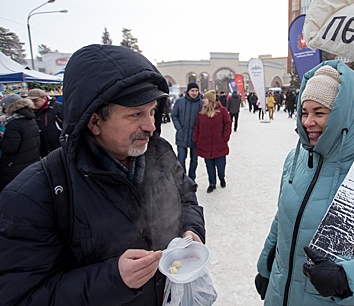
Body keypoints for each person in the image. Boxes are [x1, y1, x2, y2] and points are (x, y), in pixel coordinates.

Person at [0, 44, 205, 305]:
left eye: (153, 111)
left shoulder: (160, 153)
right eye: (135, 114)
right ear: (94, 121)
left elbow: (187, 197)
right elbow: (21, 298)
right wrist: (111, 279)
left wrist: (192, 229)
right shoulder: (35, 194)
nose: (151, 125)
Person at [255, 61, 354, 305]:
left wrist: (346, 281)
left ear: (345, 114)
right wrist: (266, 268)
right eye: (304, 112)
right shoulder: (296, 158)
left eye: (319, 113)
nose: (308, 121)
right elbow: (283, 219)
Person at [193, 90, 232, 193]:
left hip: (219, 143)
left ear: (210, 100)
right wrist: (196, 139)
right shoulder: (201, 112)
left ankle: (221, 177)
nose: (203, 100)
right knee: (209, 165)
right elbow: (197, 126)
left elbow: (228, 124)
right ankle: (212, 183)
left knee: (220, 165)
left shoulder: (222, 111)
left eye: (205, 98)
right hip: (205, 144)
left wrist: (225, 137)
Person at [0, 94, 40, 191]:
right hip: (29, 163)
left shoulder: (13, 124)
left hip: (14, 166)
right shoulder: (30, 120)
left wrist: (2, 139)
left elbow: (9, 148)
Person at [171, 82, 202, 181]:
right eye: (192, 90)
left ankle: (192, 178)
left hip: (195, 137)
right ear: (188, 91)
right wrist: (179, 128)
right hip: (182, 135)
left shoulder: (201, 104)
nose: (194, 93)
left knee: (194, 160)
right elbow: (174, 115)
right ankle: (182, 178)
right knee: (181, 158)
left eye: (196, 91)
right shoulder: (179, 102)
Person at [27, 88, 63, 157]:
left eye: (35, 100)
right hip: (41, 148)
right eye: (30, 100)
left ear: (44, 98)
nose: (32, 103)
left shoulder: (56, 107)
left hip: (57, 146)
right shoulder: (29, 111)